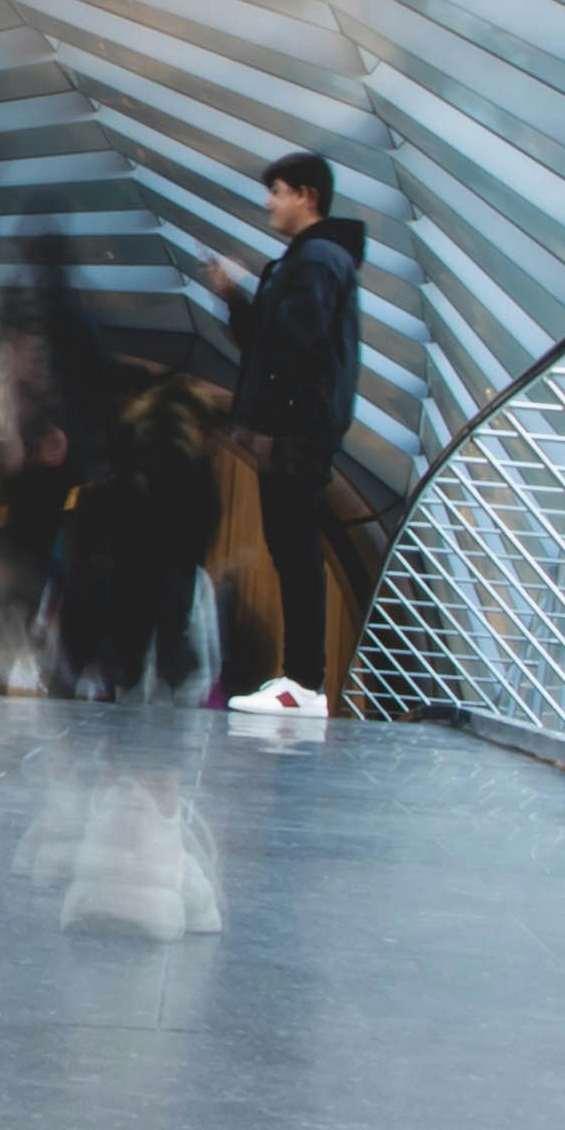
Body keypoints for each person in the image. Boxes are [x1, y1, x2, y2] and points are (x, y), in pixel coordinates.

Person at [200, 152, 366, 711]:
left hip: (299, 432)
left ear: (308, 195)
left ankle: (304, 683)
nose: (270, 203)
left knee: (294, 549)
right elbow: (276, 342)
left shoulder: (317, 260)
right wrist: (234, 297)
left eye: (278, 191)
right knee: (289, 546)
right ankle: (302, 681)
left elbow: (300, 349)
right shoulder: (309, 260)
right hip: (301, 428)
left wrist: (273, 426)